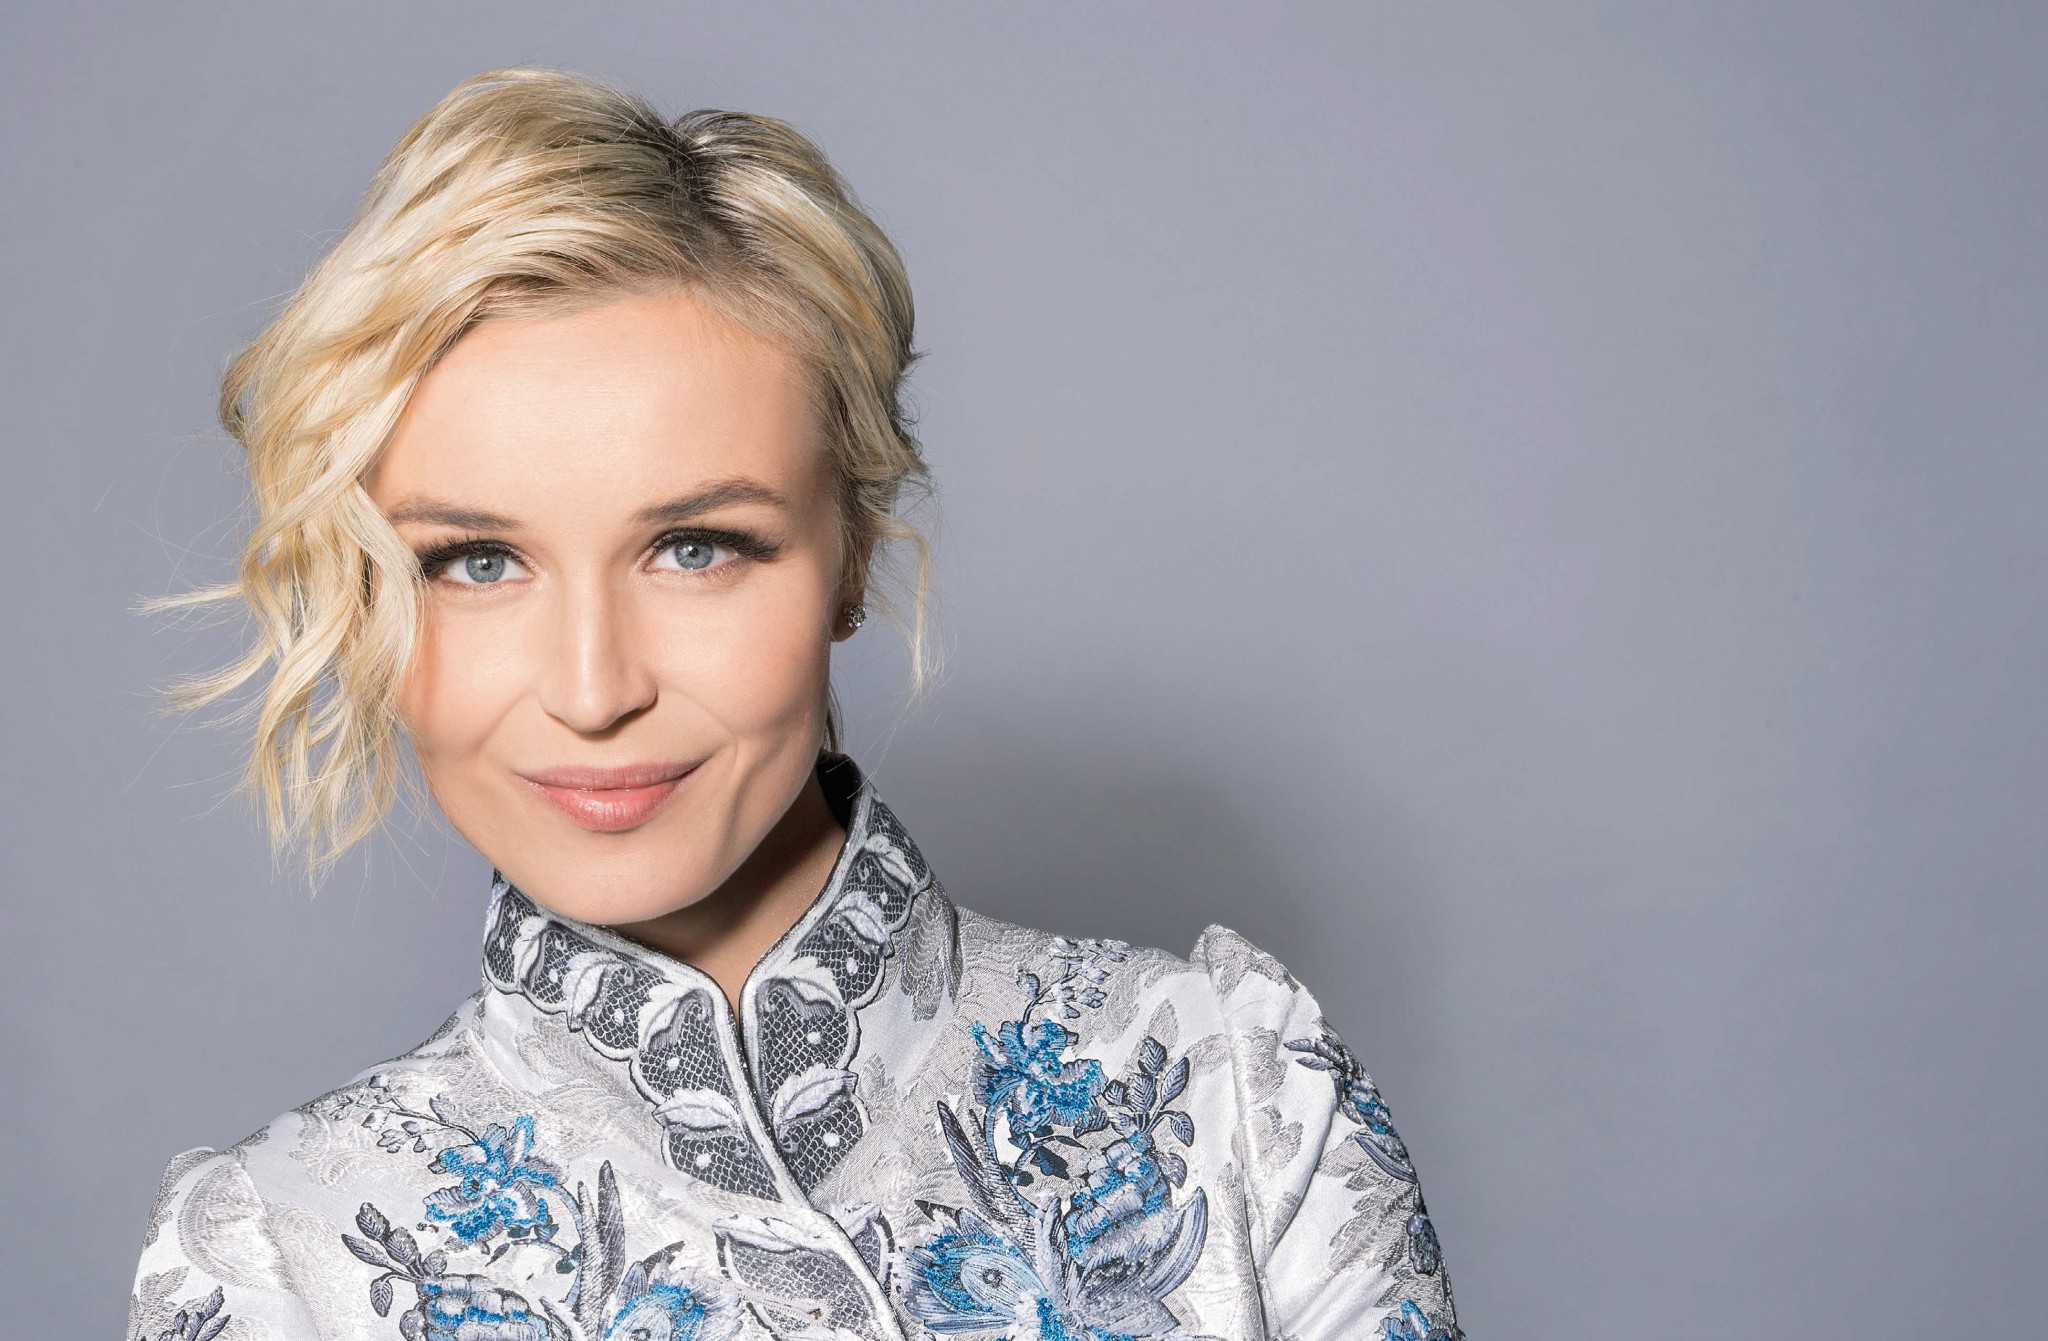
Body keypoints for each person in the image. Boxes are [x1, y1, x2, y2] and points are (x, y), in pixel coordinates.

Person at [127, 67, 1462, 1341]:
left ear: (852, 558)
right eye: (476, 562)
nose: (594, 689)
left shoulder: (1232, 1100)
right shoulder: (282, 1256)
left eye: (696, 547)